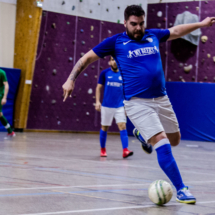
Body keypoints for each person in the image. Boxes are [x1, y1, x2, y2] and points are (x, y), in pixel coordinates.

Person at [62, 5, 215, 204]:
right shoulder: (116, 42)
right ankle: (181, 189)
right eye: (134, 24)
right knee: (163, 143)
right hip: (137, 103)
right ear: (125, 23)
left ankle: (143, 135)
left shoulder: (153, 35)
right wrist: (71, 78)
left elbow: (177, 31)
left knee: (175, 140)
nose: (138, 28)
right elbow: (86, 58)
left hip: (161, 99)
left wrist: (201, 24)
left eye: (141, 23)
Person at [95, 56, 133, 158]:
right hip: (106, 105)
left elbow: (127, 90)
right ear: (109, 62)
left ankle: (125, 150)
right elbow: (98, 88)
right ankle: (103, 149)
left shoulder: (124, 74)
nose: (114, 62)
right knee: (105, 127)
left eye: (116, 59)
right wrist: (97, 101)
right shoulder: (105, 73)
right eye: (112, 60)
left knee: (123, 126)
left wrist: (127, 105)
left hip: (120, 106)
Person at [0, 69, 15, 138]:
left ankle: (10, 131)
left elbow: (6, 84)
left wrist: (4, 97)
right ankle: (10, 131)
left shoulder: (2, 72)